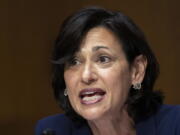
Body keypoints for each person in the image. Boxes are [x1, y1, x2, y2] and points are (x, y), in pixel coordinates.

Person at [35, 7, 180, 135]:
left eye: (103, 59)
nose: (86, 76)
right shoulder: (53, 130)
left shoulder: (175, 125)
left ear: (136, 71)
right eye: (74, 62)